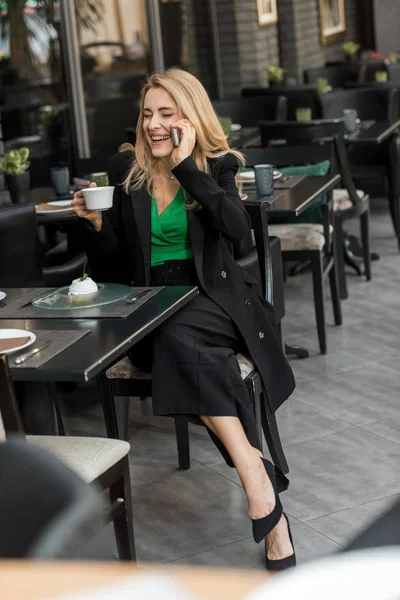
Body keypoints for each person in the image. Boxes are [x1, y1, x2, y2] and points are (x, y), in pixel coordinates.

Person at [72, 68, 296, 570]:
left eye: (166, 114)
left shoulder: (217, 164)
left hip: (213, 298)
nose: (153, 124)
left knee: (181, 332)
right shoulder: (125, 168)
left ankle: (258, 486)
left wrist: (183, 166)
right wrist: (94, 227)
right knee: (176, 338)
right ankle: (259, 482)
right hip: (150, 304)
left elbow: (239, 235)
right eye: (148, 114)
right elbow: (112, 267)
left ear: (190, 118)